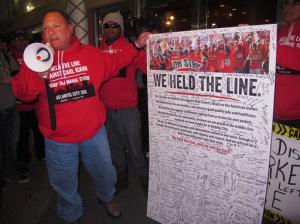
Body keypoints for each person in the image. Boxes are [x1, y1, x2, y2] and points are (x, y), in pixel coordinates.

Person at [10, 10, 148, 224]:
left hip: (94, 133)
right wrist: (37, 75)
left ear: (70, 29)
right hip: (58, 139)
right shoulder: (35, 59)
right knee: (63, 182)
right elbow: (23, 95)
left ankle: (107, 197)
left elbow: (118, 60)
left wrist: (137, 46)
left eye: (56, 26)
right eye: (46, 28)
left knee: (104, 172)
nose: (50, 32)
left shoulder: (91, 55)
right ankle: (70, 213)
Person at [99, 12, 149, 196]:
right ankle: (122, 177)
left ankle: (144, 178)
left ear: (121, 28)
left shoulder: (131, 48)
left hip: (128, 109)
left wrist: (148, 48)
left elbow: (147, 67)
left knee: (135, 147)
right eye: (107, 25)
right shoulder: (97, 51)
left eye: (114, 25)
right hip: (105, 110)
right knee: (114, 148)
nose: (111, 28)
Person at [10, 31, 45, 177]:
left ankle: (41, 155)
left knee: (38, 131)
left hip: (36, 103)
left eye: (23, 39)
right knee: (22, 135)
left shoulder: (32, 53)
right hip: (19, 105)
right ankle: (23, 163)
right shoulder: (10, 56)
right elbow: (12, 78)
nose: (21, 42)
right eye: (17, 39)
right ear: (13, 42)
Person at [0, 33, 28, 185]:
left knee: (11, 142)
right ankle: (7, 173)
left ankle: (10, 171)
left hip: (10, 106)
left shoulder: (6, 56)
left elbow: (17, 74)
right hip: (6, 107)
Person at [274, 0, 300, 129]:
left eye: (294, 3)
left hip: (297, 115)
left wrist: (268, 44)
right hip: (273, 111)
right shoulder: (279, 33)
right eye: (285, 5)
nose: (286, 9)